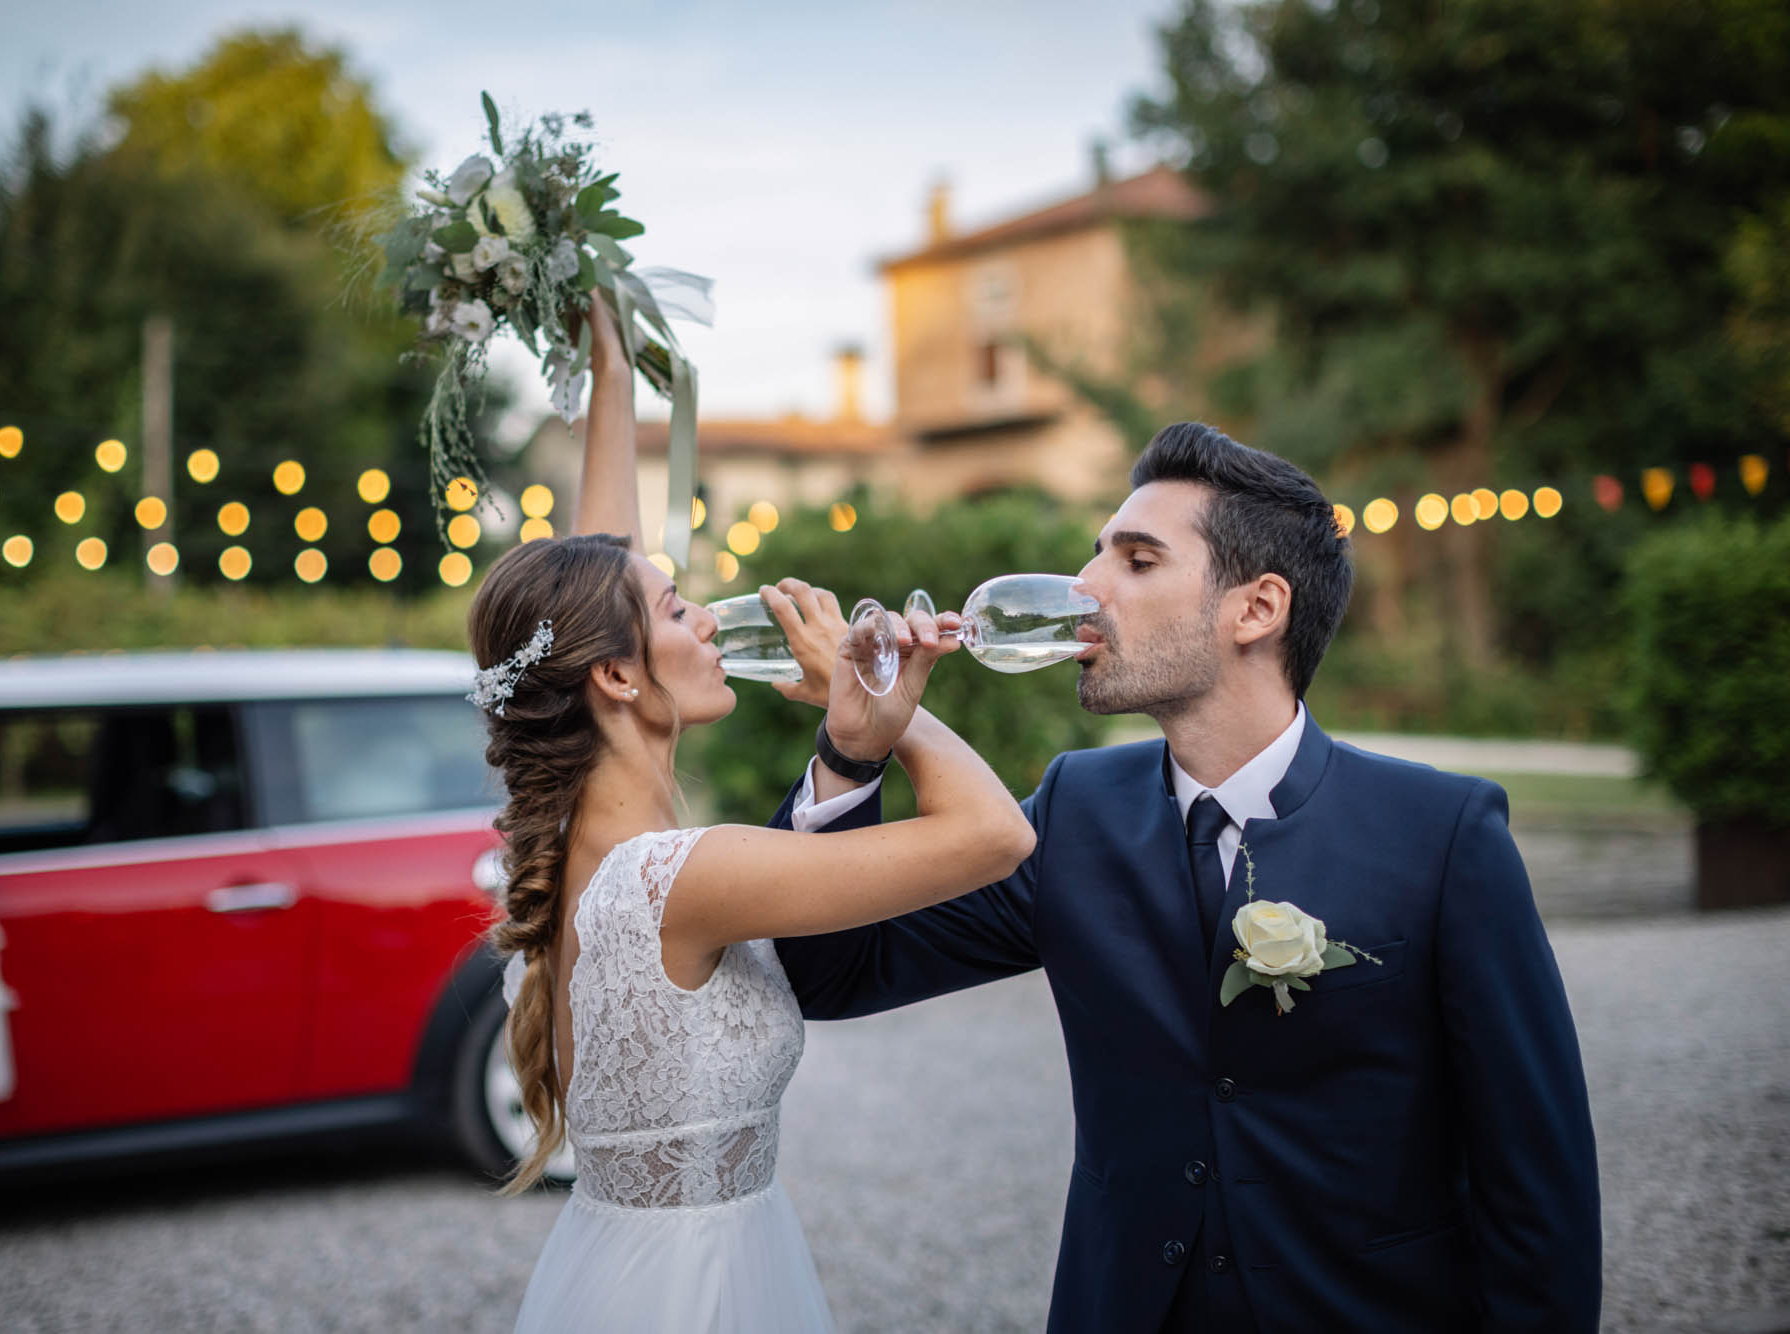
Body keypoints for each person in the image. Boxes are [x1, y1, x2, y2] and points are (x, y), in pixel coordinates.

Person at [770, 422, 1604, 1334]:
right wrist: (850, 753)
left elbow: (1537, 1181)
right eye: (1098, 554)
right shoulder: (1075, 811)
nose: (1086, 588)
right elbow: (833, 974)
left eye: (1136, 561)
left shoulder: (1443, 834)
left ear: (1257, 609)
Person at [480, 294, 1035, 1334]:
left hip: (627, 1267)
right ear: (615, 674)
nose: (707, 618)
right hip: (695, 1294)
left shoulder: (565, 842)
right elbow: (997, 835)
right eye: (676, 609)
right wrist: (881, 702)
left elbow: (593, 566)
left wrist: (612, 374)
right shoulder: (683, 876)